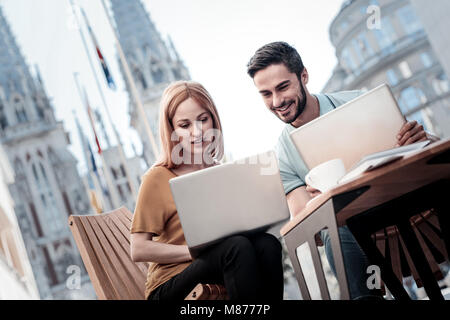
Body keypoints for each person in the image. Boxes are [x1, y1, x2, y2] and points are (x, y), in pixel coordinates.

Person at [246, 41, 439, 300]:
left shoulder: (361, 101)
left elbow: (433, 158)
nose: (277, 101)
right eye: (266, 94)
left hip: (417, 213)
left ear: (304, 76)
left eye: (283, 87)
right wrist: (319, 201)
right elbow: (310, 225)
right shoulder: (282, 155)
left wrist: (422, 141)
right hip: (361, 237)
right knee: (332, 227)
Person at [130, 80, 284, 301]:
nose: (198, 131)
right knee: (235, 247)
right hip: (169, 286)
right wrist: (192, 252)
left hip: (220, 264)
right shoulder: (158, 177)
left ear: (213, 119)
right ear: (172, 130)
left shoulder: (221, 173)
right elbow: (138, 249)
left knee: (267, 244)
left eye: (203, 119)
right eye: (185, 125)